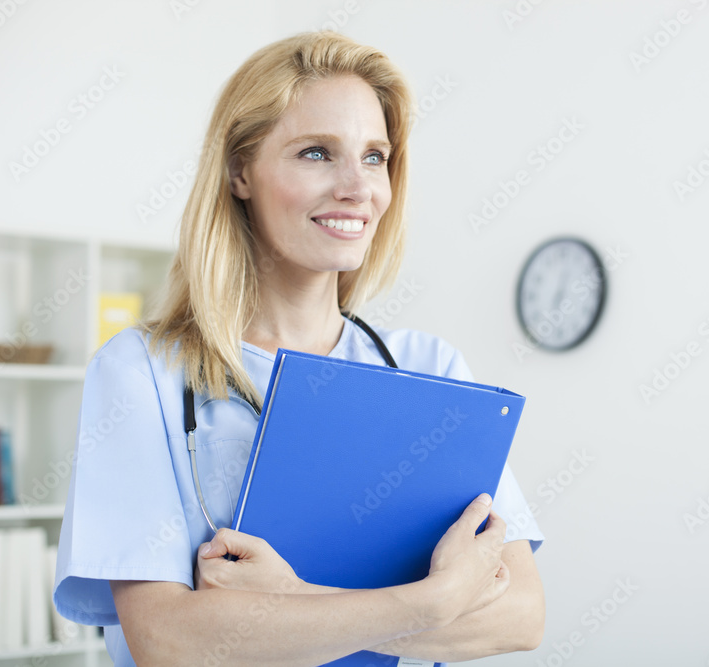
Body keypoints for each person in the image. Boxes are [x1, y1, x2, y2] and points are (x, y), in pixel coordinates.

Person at [54, 31, 545, 666]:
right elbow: (169, 641)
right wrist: (435, 601)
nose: (357, 187)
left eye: (375, 157)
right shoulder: (142, 372)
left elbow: (522, 615)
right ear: (238, 172)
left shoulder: (430, 369)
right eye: (316, 153)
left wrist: (293, 597)